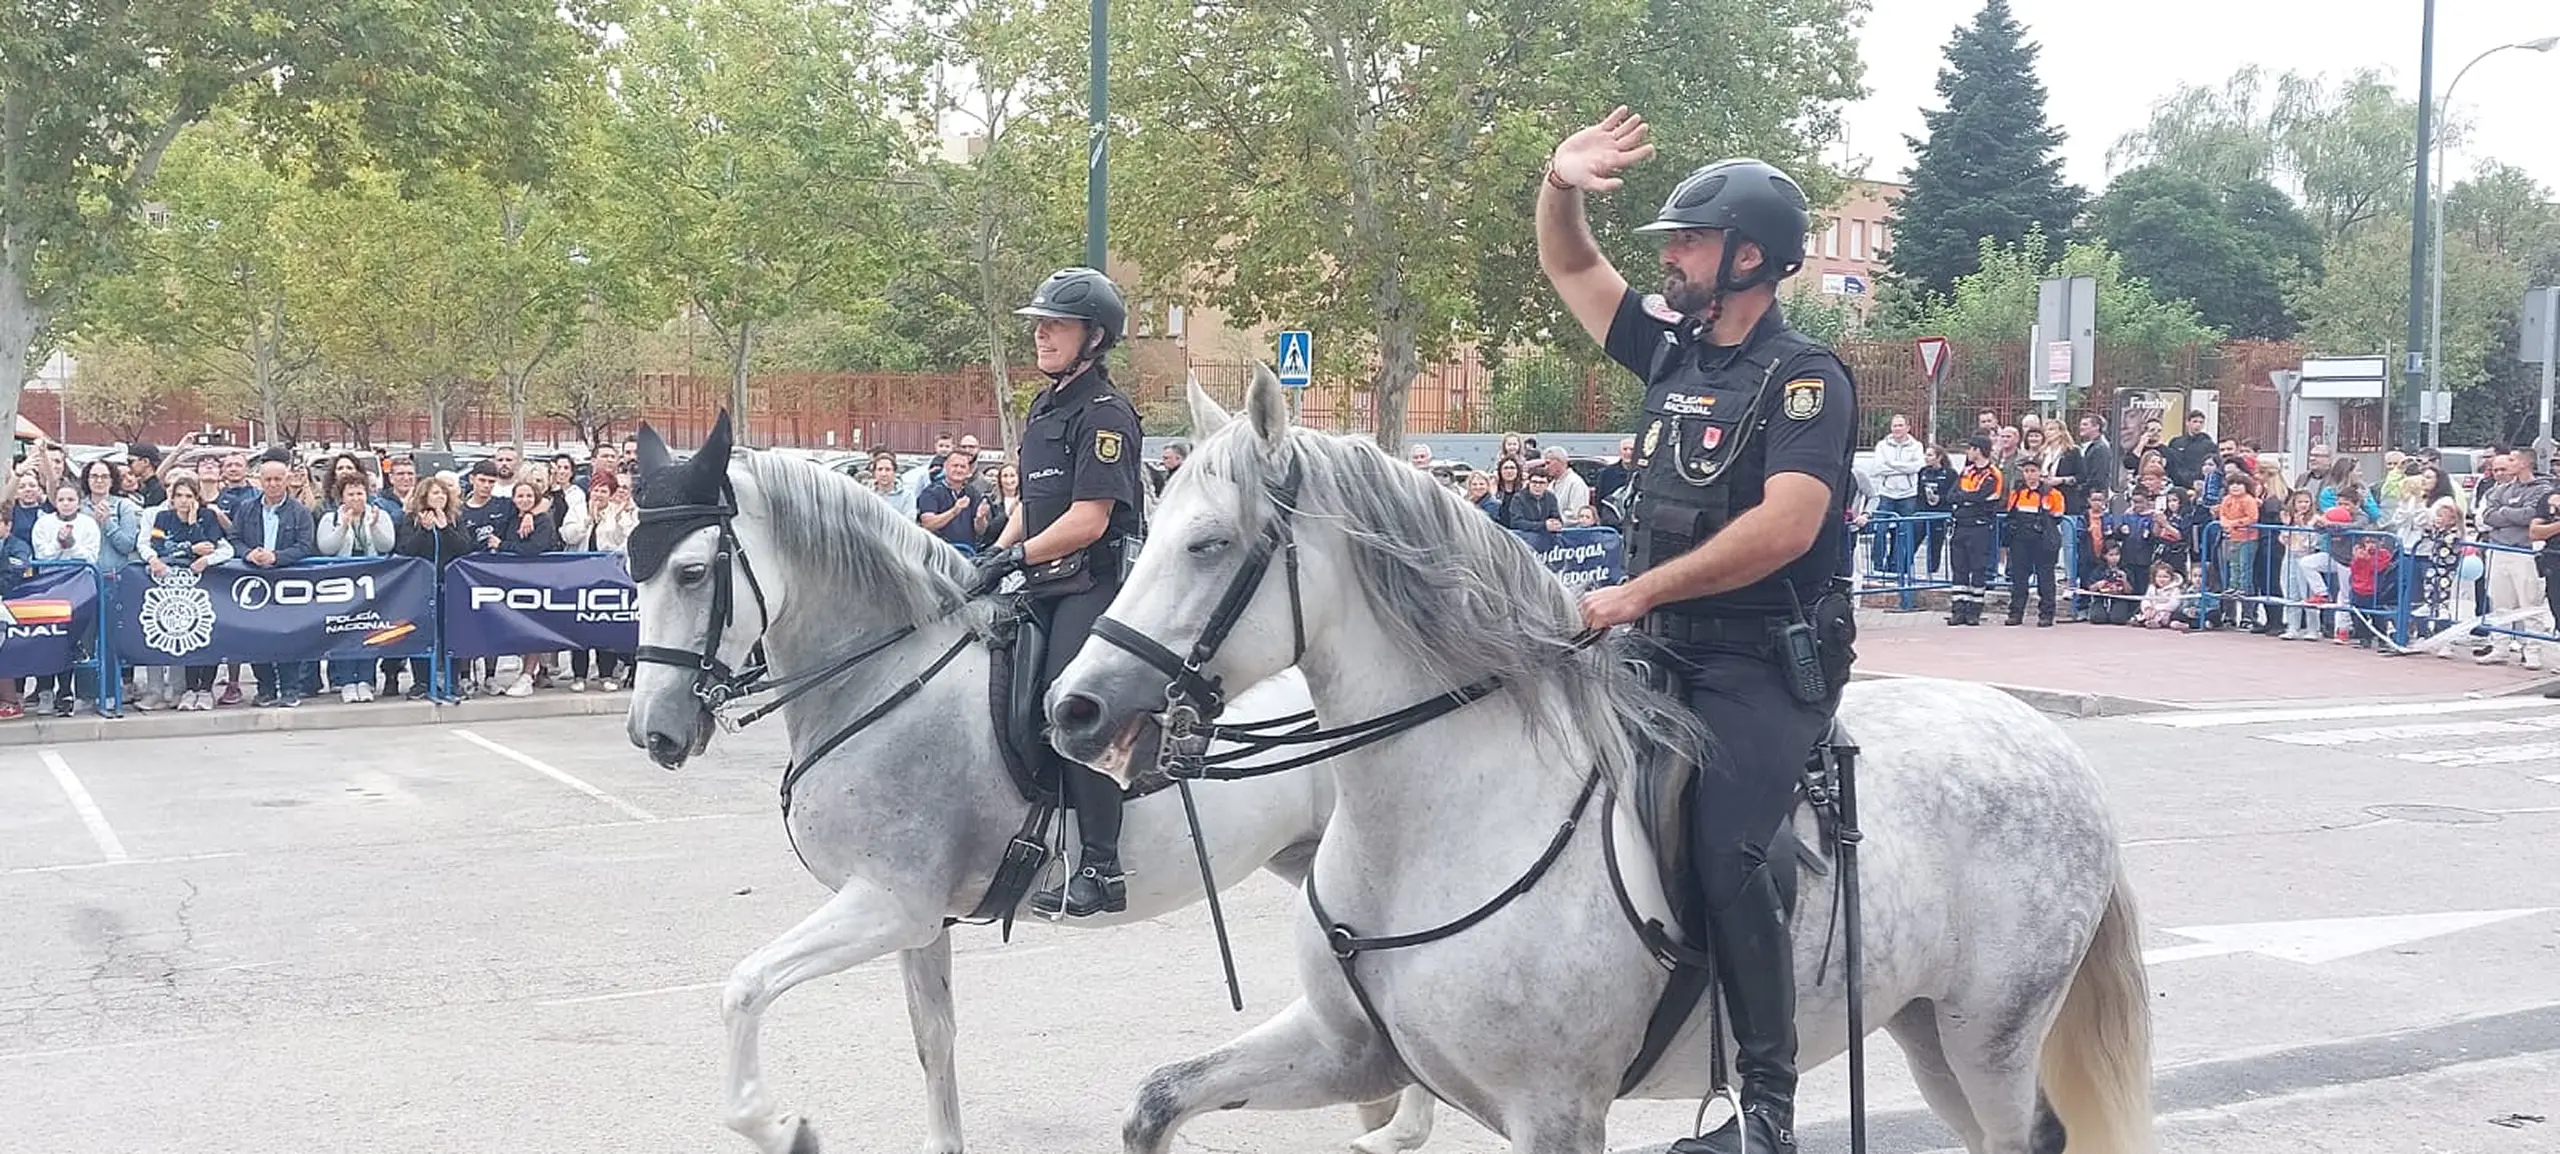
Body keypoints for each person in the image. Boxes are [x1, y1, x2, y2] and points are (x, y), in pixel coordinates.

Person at [1540, 110, 1854, 1154]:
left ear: (1748, 256)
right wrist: (1560, 183)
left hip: (1763, 656)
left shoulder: (1805, 376)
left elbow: (1787, 523)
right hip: (1659, 641)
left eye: (1684, 241)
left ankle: (1765, 1106)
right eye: (1668, 242)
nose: (1667, 256)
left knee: (1726, 851)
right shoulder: (1671, 348)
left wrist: (1637, 592)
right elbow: (1572, 269)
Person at [972, 266, 1146, 919]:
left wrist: (1014, 556)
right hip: (1043, 575)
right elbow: (1036, 504)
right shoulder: (1045, 407)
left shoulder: (1106, 415)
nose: (1040, 335)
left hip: (1093, 581)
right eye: (1038, 324)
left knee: (1069, 702)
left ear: (1093, 337)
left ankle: (1102, 866)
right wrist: (990, 559)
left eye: (1055, 325)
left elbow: (1087, 519)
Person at [1945, 435, 2004, 626]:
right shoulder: (1966, 471)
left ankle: (1974, 611)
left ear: (1978, 450)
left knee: (1978, 568)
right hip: (1961, 525)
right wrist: (1966, 498)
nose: (1967, 452)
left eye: (1970, 448)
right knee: (1959, 568)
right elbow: (1951, 496)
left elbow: (1982, 497)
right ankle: (1958, 610)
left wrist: (1966, 498)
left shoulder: (1993, 473)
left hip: (1980, 526)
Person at [2002, 456, 2064, 626]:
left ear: (2040, 473)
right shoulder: (2018, 493)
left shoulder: (2052, 494)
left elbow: (2057, 516)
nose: (2029, 475)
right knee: (2019, 578)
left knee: (2045, 578)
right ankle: (2015, 613)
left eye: (2033, 471)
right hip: (2021, 540)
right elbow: (2011, 514)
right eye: (2027, 471)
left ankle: (2046, 614)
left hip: (2042, 540)